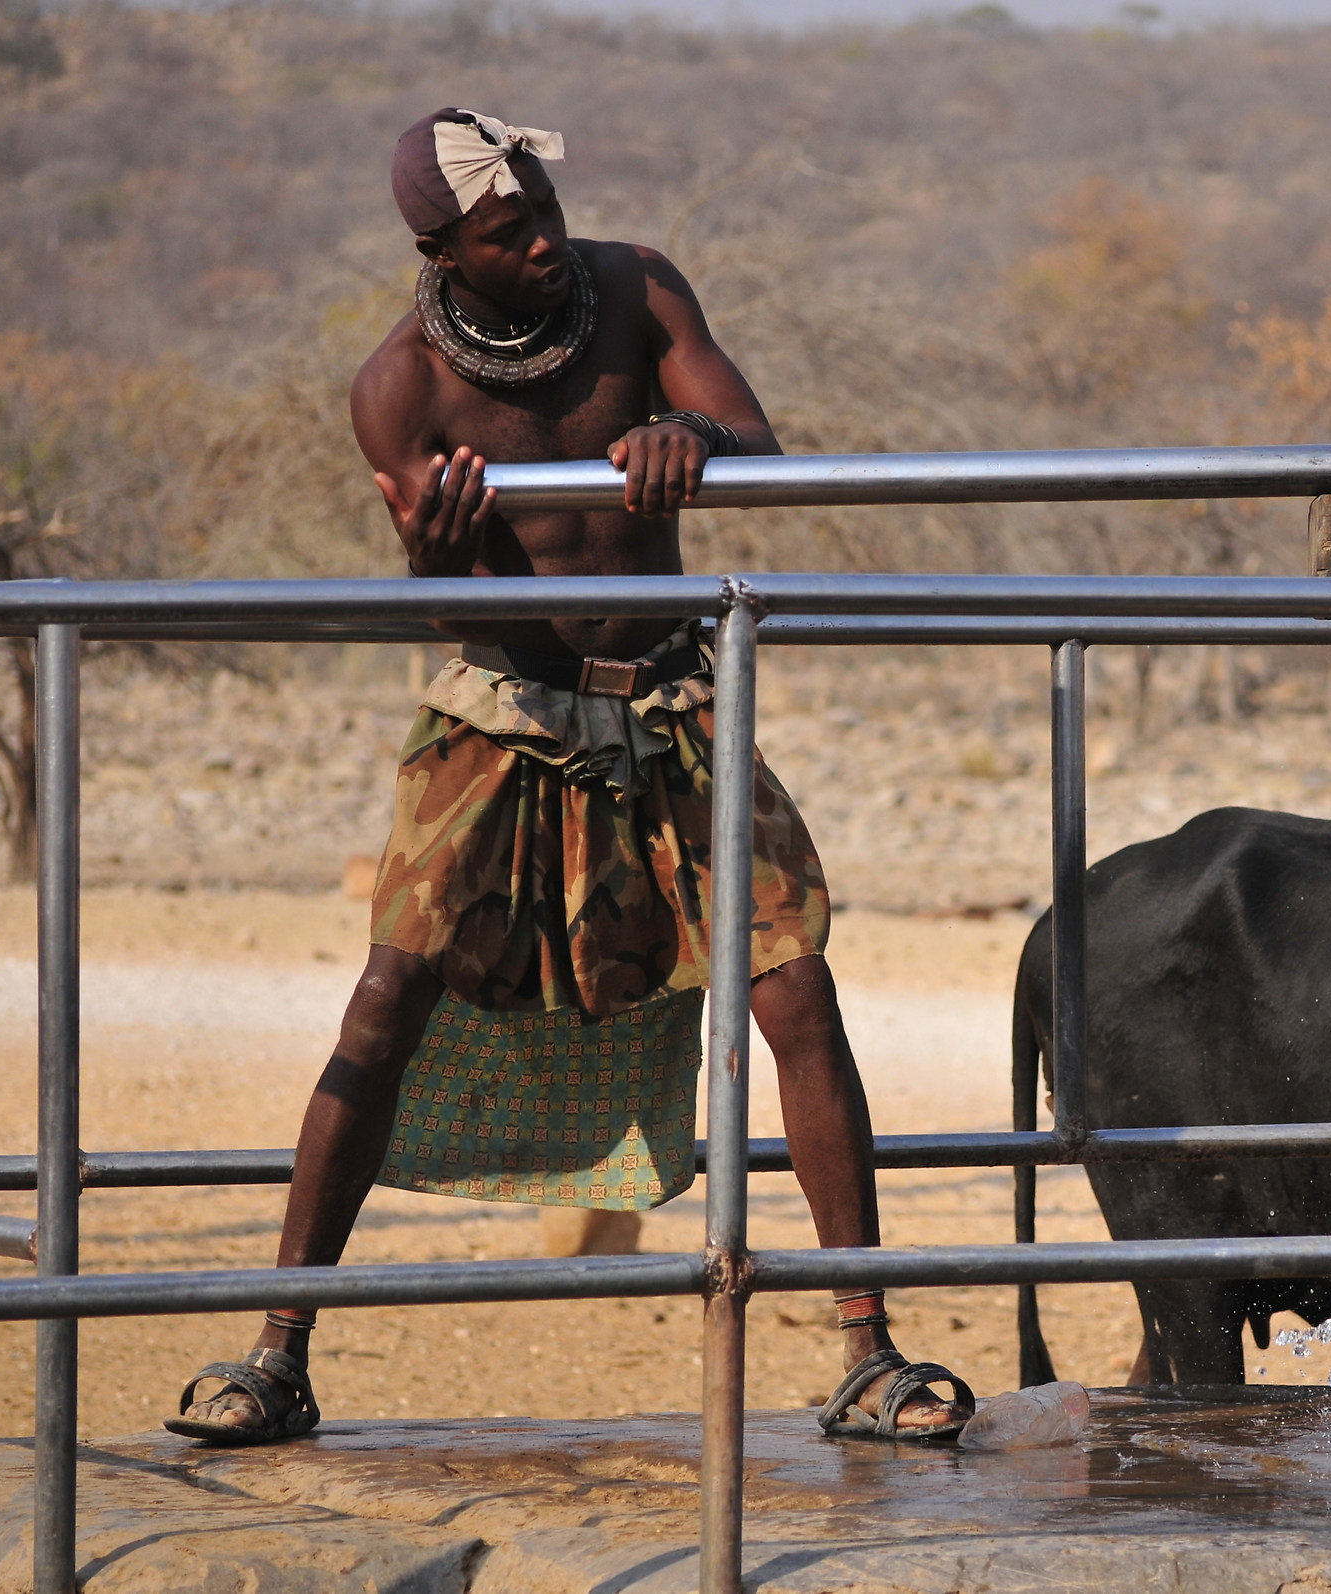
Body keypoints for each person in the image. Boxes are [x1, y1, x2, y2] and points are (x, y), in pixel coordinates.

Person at [167, 108, 971, 1446]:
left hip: (669, 703)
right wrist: (433, 551)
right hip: (501, 716)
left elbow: (760, 447)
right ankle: (276, 1351)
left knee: (795, 985)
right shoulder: (400, 390)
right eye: (506, 230)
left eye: (542, 207)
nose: (541, 239)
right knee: (384, 998)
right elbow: (442, 610)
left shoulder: (641, 290)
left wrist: (696, 448)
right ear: (441, 249)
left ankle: (866, 1352)